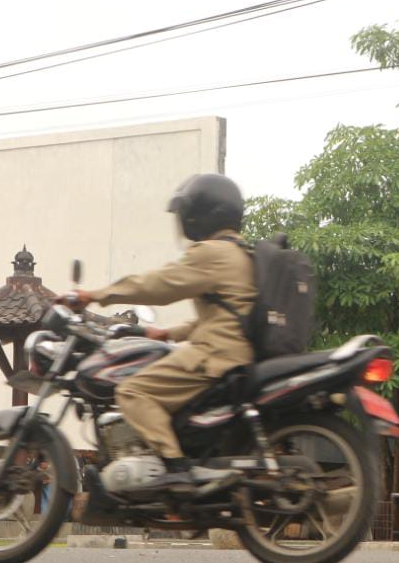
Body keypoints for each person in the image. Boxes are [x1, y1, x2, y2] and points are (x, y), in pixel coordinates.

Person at [58, 174, 257, 489]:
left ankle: (174, 468)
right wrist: (168, 334)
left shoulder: (211, 252)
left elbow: (157, 286)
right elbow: (224, 318)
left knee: (132, 391)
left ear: (201, 214)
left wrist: (95, 295)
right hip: (237, 353)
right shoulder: (244, 253)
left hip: (216, 357)